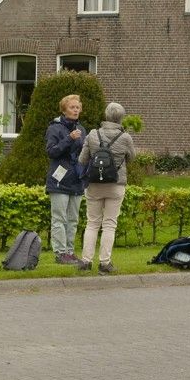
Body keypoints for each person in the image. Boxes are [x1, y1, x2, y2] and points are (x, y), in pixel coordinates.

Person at [76, 101, 137, 274]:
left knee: (92, 223)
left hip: (95, 183)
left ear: (106, 115)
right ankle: (105, 264)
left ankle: (86, 261)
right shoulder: (125, 137)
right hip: (116, 184)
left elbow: (82, 159)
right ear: (121, 118)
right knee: (109, 224)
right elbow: (132, 158)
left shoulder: (93, 134)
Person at [45, 94, 86, 265]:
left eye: (78, 107)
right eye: (72, 107)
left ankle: (70, 251)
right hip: (60, 180)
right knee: (59, 218)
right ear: (64, 109)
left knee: (73, 219)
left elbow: (85, 154)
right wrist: (69, 139)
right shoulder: (55, 128)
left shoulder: (82, 129)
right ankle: (60, 253)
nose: (75, 110)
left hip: (76, 179)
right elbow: (51, 152)